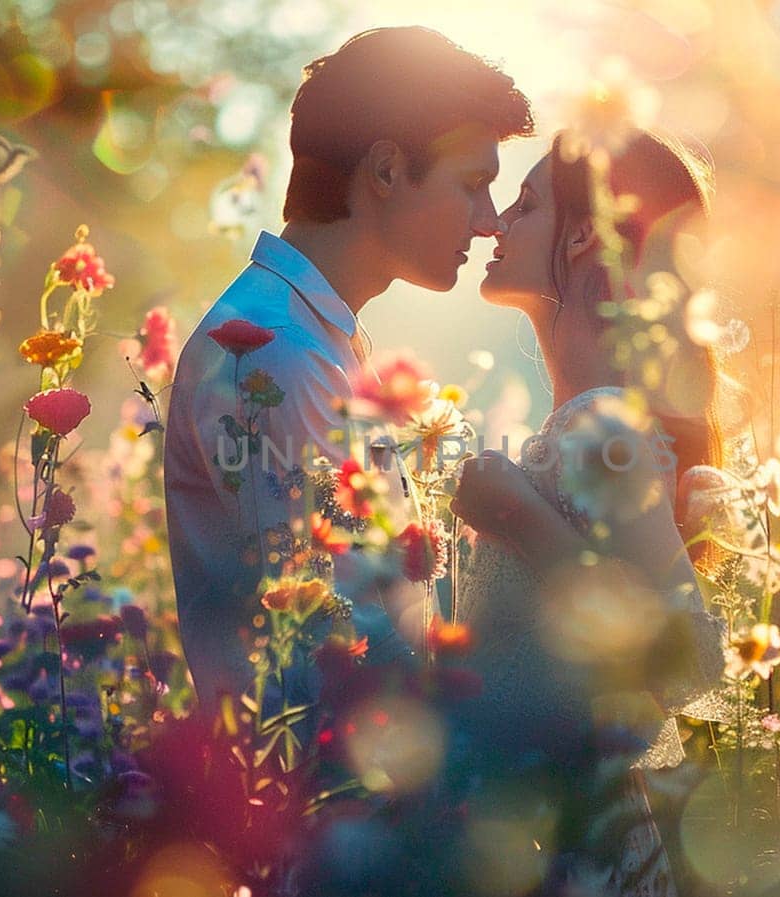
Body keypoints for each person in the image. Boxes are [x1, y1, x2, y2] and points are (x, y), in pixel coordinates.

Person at [163, 27, 535, 716]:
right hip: (312, 799)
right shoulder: (270, 352)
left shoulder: (314, 338)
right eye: (473, 185)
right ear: (388, 170)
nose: (488, 222)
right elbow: (328, 637)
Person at [449, 129, 736, 897]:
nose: (496, 222)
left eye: (526, 202)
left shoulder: (603, 422)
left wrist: (513, 512)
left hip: (578, 853)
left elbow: (689, 656)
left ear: (582, 236)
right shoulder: (583, 419)